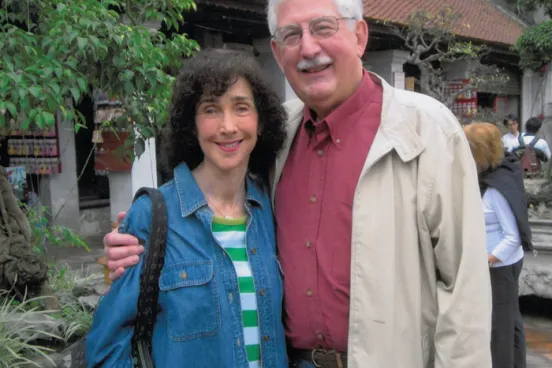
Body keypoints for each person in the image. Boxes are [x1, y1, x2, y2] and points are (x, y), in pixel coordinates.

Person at [103, 0, 493, 367]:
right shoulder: (277, 137)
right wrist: (141, 240)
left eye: (323, 27)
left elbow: (466, 292)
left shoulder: (426, 131)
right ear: (276, 51)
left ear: (359, 36)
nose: (308, 48)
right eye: (292, 35)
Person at [86, 49, 289, 368]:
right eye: (211, 110)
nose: (227, 126)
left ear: (260, 122)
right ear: (192, 126)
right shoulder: (152, 215)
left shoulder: (270, 208)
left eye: (241, 108)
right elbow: (107, 347)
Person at [463, 122, 530, 368]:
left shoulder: (497, 188)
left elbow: (512, 236)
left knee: (500, 327)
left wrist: (487, 261)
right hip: (499, 263)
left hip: (499, 265)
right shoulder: (496, 173)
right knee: (511, 321)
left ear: (481, 150)